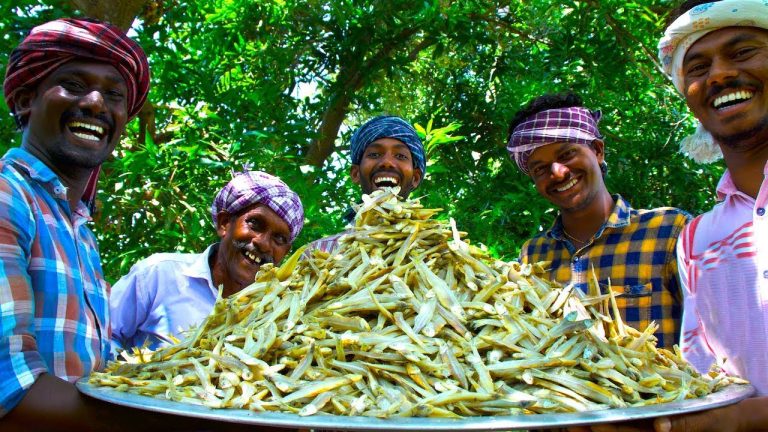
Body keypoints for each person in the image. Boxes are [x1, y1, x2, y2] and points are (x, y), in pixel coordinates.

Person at [506, 92, 690, 350]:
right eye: (540, 168)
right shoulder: (532, 256)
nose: (557, 173)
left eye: (567, 154)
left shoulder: (669, 231)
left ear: (598, 151)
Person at [110, 170, 304, 350]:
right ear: (224, 223)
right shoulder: (159, 275)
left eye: (279, 239)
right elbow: (101, 336)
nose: (263, 244)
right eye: (255, 224)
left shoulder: (279, 313)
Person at [306, 115, 426, 254]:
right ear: (356, 173)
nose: (387, 162)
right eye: (374, 154)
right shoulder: (318, 253)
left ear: (415, 178)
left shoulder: (441, 256)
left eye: (400, 156)